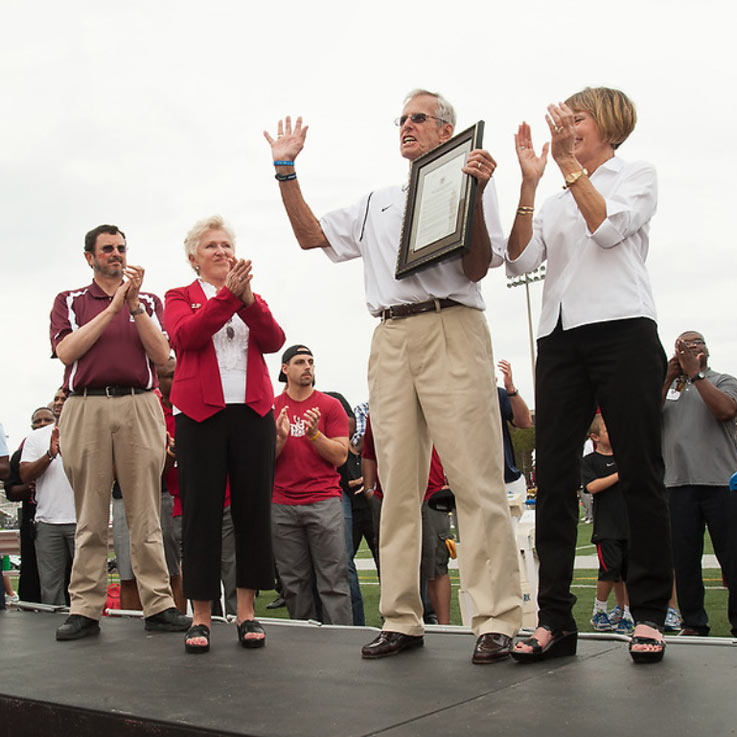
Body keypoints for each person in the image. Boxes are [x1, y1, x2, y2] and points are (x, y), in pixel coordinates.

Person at [265, 89, 522, 664]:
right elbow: (310, 236)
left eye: (418, 118)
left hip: (453, 322)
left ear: (446, 130)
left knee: (475, 479)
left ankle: (497, 617)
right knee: (395, 486)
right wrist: (286, 170)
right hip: (390, 333)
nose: (406, 126)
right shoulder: (378, 200)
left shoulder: (471, 177)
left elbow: (480, 265)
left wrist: (476, 193)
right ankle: (402, 618)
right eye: (400, 119)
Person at [506, 87, 672, 664]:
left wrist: (570, 167)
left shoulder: (636, 175)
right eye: (566, 117)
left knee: (643, 469)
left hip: (623, 330)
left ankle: (649, 614)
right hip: (559, 338)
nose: (567, 126)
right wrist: (530, 184)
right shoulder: (553, 199)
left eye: (577, 118)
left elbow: (607, 229)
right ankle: (554, 618)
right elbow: (520, 261)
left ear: (608, 126)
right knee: (551, 476)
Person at [50, 224, 190, 641]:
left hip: (139, 402)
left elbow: (162, 355)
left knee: (145, 510)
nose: (117, 255)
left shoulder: (148, 300)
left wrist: (133, 307)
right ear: (89, 256)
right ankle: (86, 609)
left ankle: (159, 604)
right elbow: (67, 351)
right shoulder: (70, 301)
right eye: (108, 249)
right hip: (86, 404)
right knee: (90, 515)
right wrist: (111, 308)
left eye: (122, 248)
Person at [165, 215, 284, 654]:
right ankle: (201, 615)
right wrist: (227, 299)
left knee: (253, 509)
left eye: (226, 245)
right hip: (200, 414)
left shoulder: (250, 297)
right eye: (211, 246)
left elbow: (273, 340)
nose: (221, 252)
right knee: (201, 512)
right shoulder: (179, 296)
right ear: (194, 257)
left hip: (252, 410)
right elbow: (186, 337)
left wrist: (246, 299)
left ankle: (247, 611)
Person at [661, 331, 737, 638]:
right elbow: (645, 418)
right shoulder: (669, 390)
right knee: (684, 560)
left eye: (697, 344)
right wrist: (666, 377)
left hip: (722, 483)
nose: (691, 349)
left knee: (732, 557)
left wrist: (697, 375)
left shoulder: (722, 381)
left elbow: (725, 411)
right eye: (684, 346)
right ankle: (693, 622)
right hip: (678, 484)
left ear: (707, 350)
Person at [272, 345, 352, 625]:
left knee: (333, 581)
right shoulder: (272, 407)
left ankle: (340, 644)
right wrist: (280, 439)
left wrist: (315, 434)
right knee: (294, 585)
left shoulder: (330, 406)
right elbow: (262, 462)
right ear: (285, 369)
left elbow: (341, 456)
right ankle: (303, 645)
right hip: (282, 504)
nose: (307, 367)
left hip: (323, 502)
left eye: (311, 362)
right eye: (299, 362)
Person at [19, 390, 75, 605]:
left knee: (86, 584)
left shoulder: (90, 431)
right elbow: (24, 475)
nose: (59, 403)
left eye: (65, 398)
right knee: (50, 587)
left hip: (82, 520)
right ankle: (52, 630)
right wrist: (50, 455)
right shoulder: (36, 437)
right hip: (47, 522)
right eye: (57, 399)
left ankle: (89, 625)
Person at [581, 415, 634, 636]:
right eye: (606, 429)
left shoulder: (627, 456)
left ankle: (628, 613)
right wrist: (619, 475)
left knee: (629, 572)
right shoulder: (590, 461)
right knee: (608, 571)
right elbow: (592, 486)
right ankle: (599, 611)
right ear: (594, 437)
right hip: (607, 528)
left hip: (629, 524)